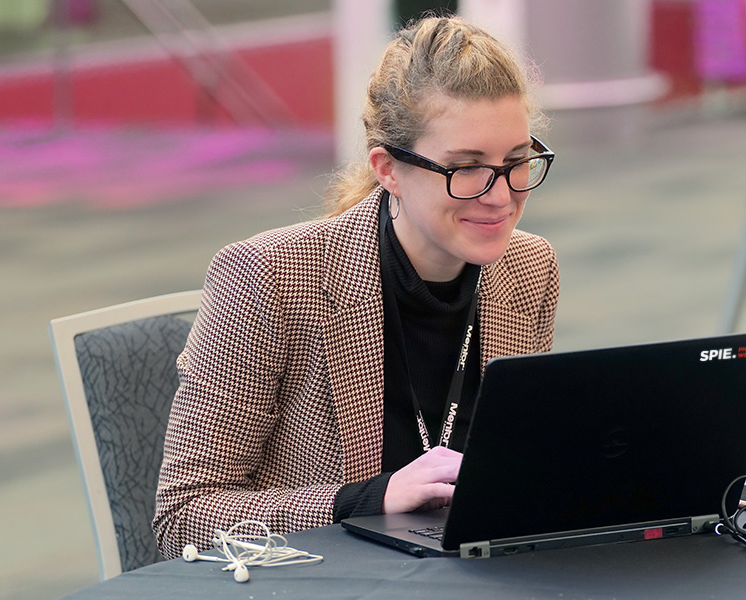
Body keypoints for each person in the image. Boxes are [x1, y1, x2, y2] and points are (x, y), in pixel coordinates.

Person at [153, 14, 559, 559]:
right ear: (387, 169)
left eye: (516, 163)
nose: (501, 195)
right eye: (466, 168)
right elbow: (183, 517)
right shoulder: (271, 277)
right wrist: (369, 499)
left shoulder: (529, 269)